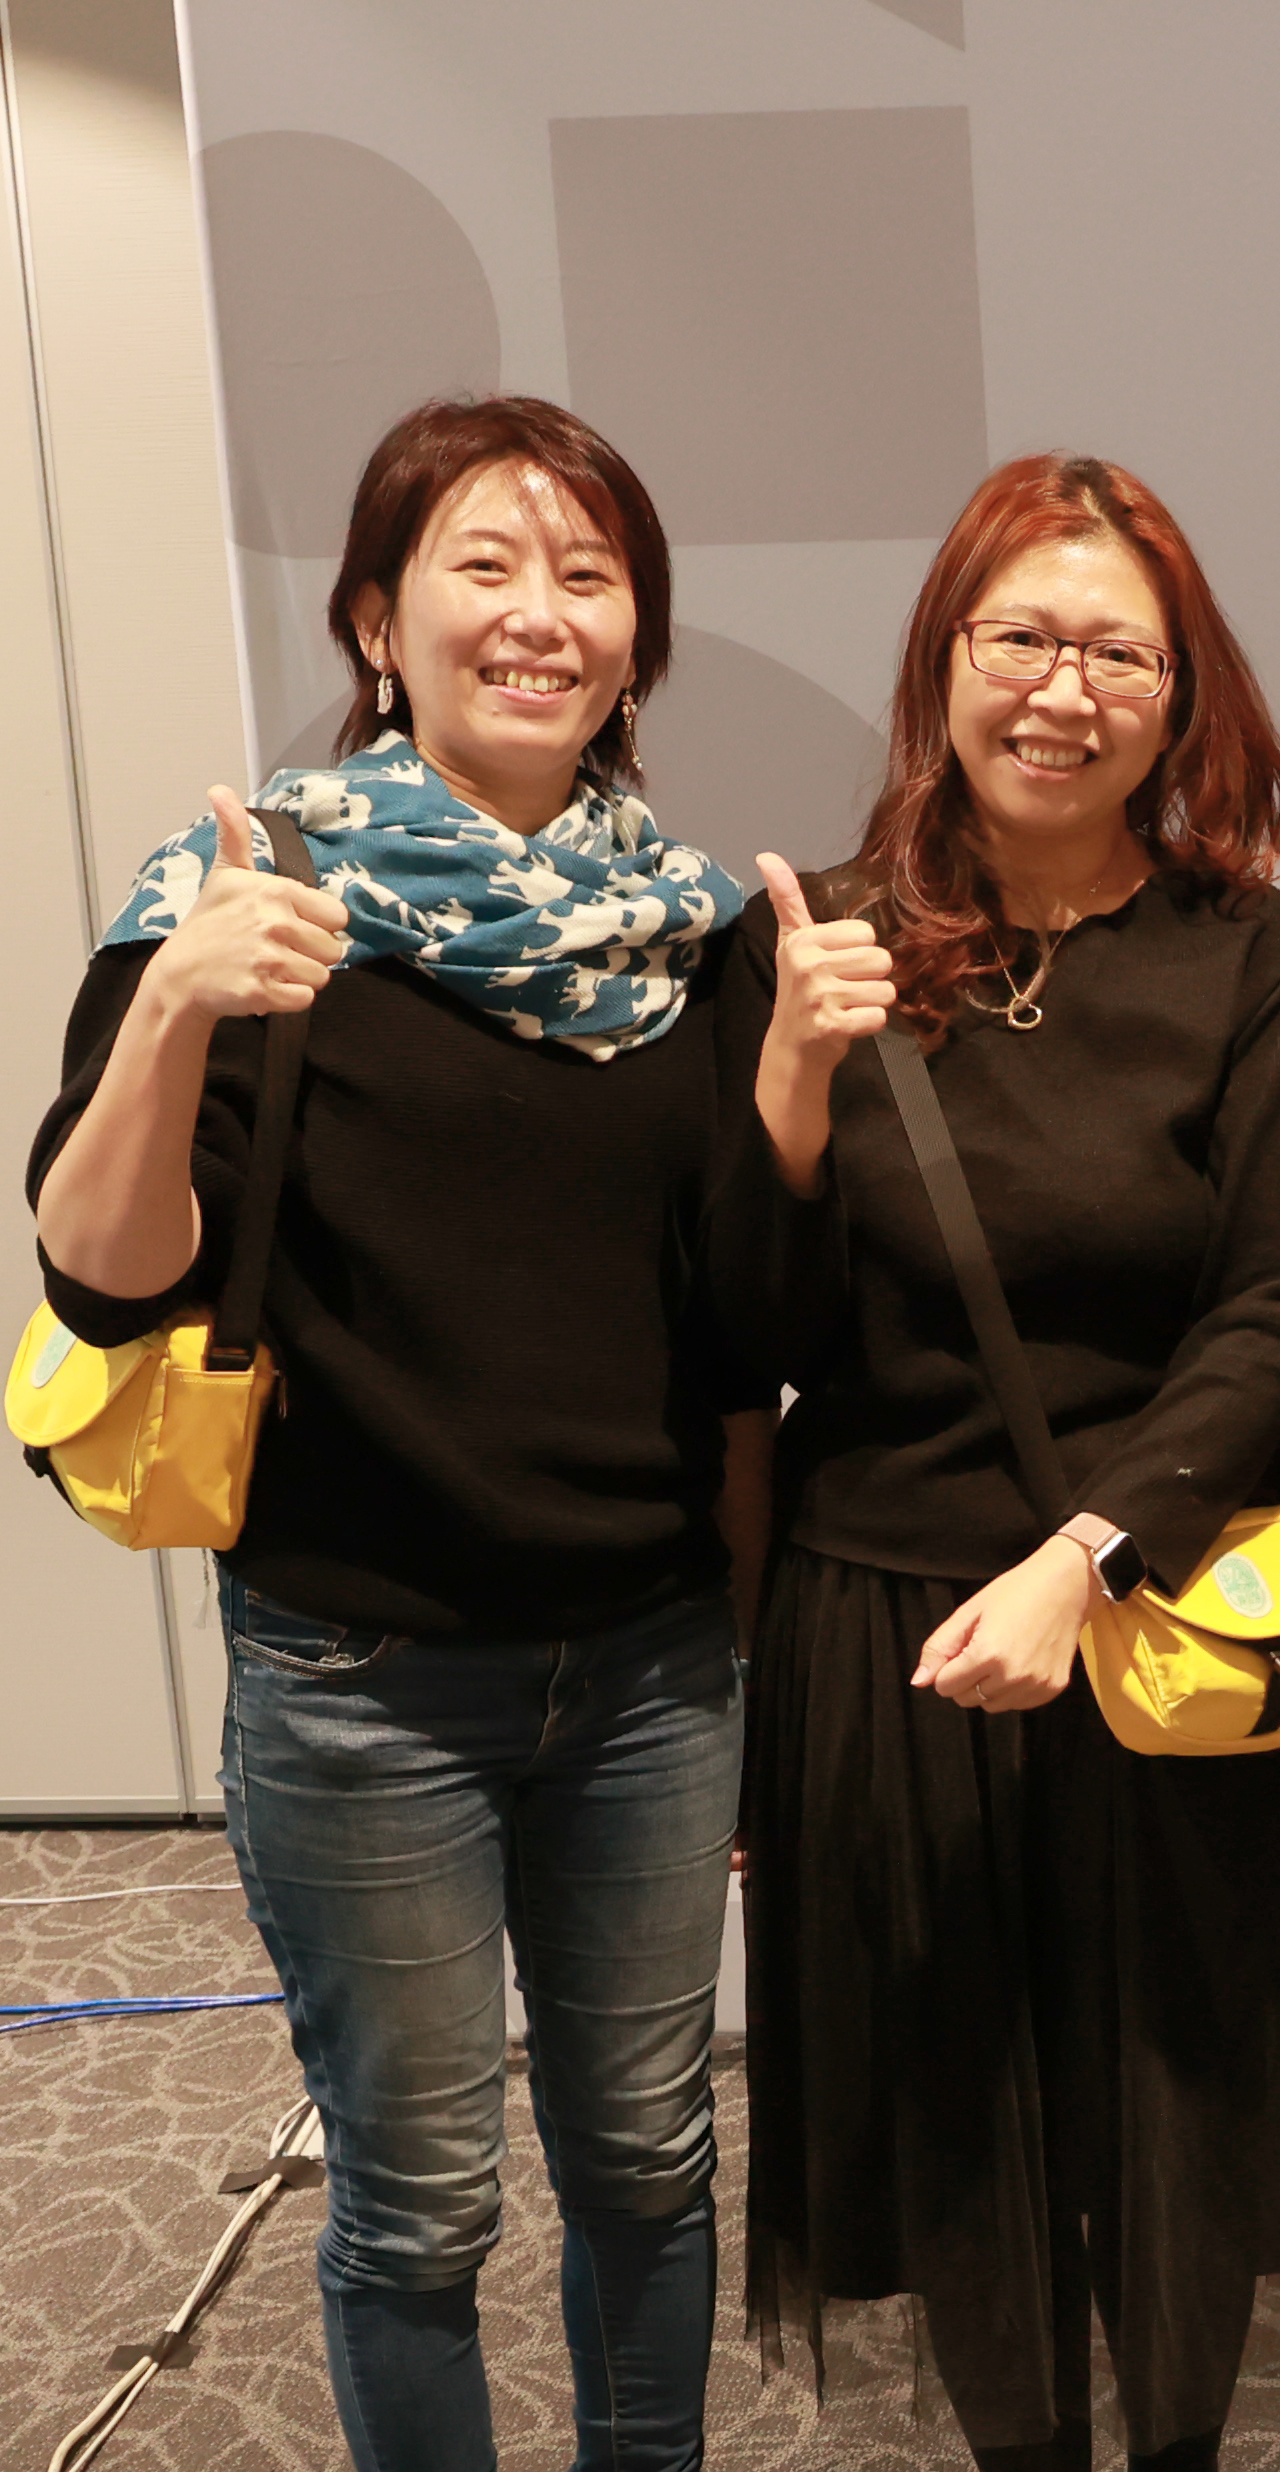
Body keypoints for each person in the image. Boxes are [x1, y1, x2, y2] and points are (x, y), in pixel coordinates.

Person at [27, 397, 755, 2471]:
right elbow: (100, 1270)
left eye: (589, 576)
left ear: (637, 640)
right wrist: (181, 1005)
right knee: (420, 2197)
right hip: (362, 1677)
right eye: (484, 565)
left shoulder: (694, 934)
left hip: (649, 1666)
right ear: (377, 618)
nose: (541, 614)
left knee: (652, 2154)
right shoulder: (252, 893)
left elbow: (735, 1339)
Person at [724, 452, 1280, 2472]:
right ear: (942, 662)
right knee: (957, 2113)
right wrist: (789, 1074)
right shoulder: (813, 946)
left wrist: (1083, 1559)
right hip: (890, 1624)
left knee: (1180, 2101)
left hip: (1165, 1609)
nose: (1064, 690)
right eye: (1020, 638)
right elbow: (750, 1337)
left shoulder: (1251, 960)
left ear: (1180, 696)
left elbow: (1270, 1314)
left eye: (1120, 653)